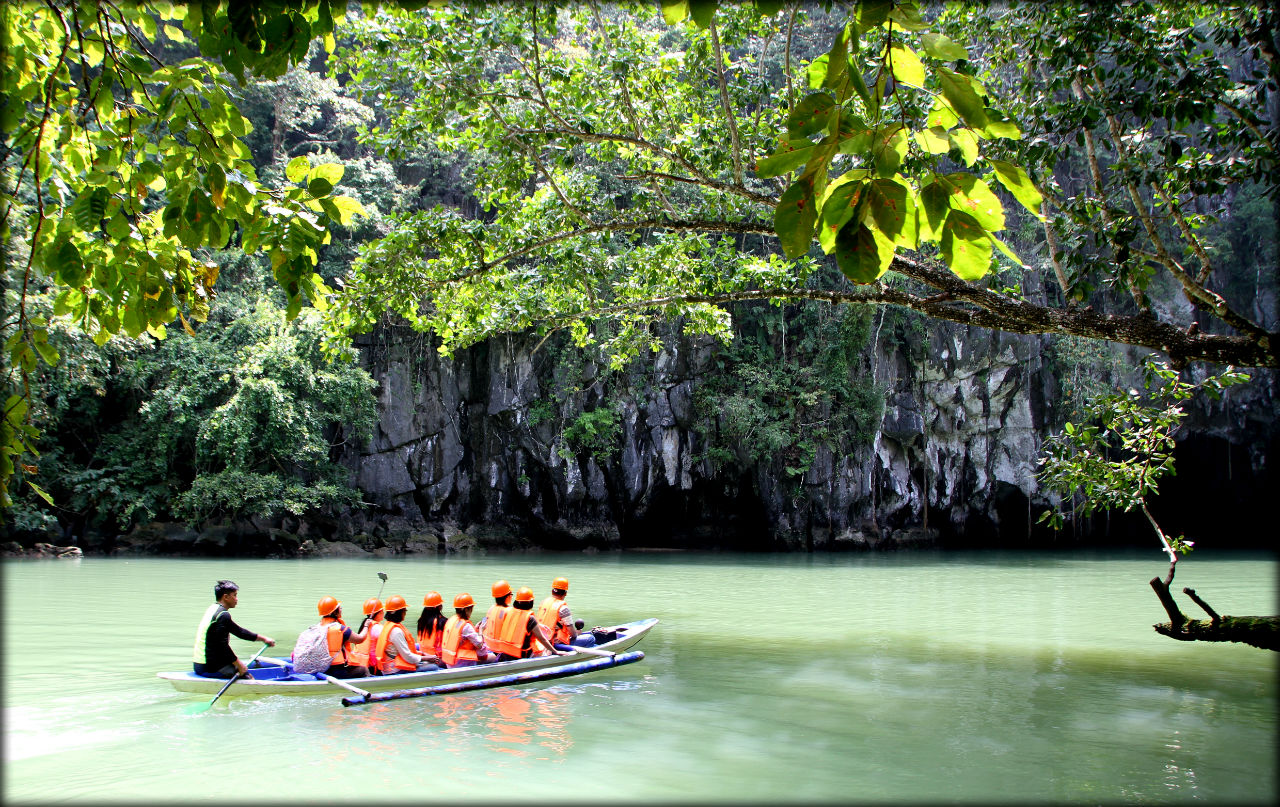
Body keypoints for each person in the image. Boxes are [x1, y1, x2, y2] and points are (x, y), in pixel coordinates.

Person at [192, 580, 275, 679]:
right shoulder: (223, 615)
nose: (236, 599)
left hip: (199, 665)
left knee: (239, 667)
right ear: (226, 597)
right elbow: (223, 646)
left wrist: (263, 639)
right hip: (209, 667)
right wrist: (239, 665)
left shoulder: (213, 609)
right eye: (234, 595)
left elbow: (239, 632)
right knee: (248, 677)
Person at [492, 586, 564, 662]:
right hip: (521, 655)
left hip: (506, 652)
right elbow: (542, 639)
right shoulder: (530, 618)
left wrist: (538, 625)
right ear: (530, 602)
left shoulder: (508, 612)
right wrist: (556, 652)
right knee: (545, 648)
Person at [373, 595, 442, 674]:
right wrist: (427, 658)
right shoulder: (396, 631)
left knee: (424, 659)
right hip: (395, 670)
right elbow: (408, 657)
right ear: (399, 613)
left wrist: (421, 653)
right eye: (404, 610)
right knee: (433, 667)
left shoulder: (388, 625)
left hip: (389, 666)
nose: (405, 613)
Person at [536, 576, 596, 651]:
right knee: (590, 638)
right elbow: (573, 635)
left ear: (552, 591)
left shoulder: (544, 602)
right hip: (556, 644)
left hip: (540, 641)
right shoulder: (563, 609)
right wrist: (577, 633)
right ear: (565, 593)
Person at [316, 595, 369, 679]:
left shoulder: (317, 627)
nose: (341, 610)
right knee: (364, 670)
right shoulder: (341, 629)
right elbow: (360, 639)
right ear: (334, 612)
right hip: (337, 670)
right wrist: (366, 626)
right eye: (339, 608)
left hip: (322, 669)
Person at [440, 593, 499, 667]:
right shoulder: (466, 626)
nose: (471, 610)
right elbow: (480, 644)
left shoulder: (451, 620)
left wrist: (475, 629)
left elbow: (462, 637)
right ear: (466, 609)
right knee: (493, 657)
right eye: (471, 608)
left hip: (450, 661)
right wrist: (481, 630)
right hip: (462, 663)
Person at [348, 597, 385, 675]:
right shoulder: (377, 628)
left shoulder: (365, 625)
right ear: (378, 612)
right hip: (371, 666)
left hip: (358, 663)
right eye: (382, 610)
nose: (383, 612)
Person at [478, 579, 514, 650]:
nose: (511, 596)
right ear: (507, 596)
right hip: (500, 649)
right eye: (511, 594)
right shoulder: (510, 611)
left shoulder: (491, 608)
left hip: (488, 645)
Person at [416, 591, 447, 660]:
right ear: (439, 607)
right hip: (436, 658)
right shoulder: (442, 621)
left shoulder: (421, 620)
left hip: (423, 655)